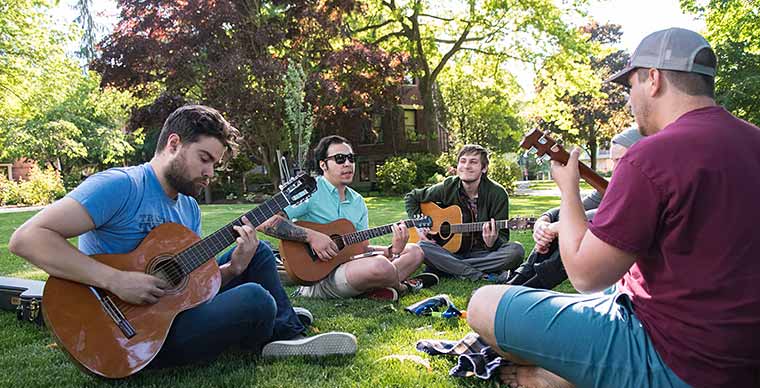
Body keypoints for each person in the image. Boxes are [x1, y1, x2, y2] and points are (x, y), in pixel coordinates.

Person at [466, 28, 760, 388]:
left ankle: (565, 377)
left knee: (483, 304)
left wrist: (568, 190)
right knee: (618, 286)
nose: (629, 100)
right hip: (744, 356)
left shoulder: (653, 155)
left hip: (677, 361)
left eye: (630, 85)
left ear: (653, 79)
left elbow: (586, 276)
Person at [8, 105, 356, 369]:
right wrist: (116, 280)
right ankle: (275, 323)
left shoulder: (188, 209)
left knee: (258, 255)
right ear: (174, 143)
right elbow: (27, 238)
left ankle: (285, 331)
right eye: (204, 158)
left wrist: (233, 269)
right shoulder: (120, 185)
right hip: (130, 335)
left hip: (169, 315)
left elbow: (187, 289)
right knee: (255, 299)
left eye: (215, 164)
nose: (209, 173)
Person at [260, 135, 437, 302]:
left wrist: (393, 251)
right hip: (319, 277)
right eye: (339, 159)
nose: (347, 164)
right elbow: (264, 221)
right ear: (323, 165)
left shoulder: (357, 201)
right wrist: (311, 236)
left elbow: (363, 248)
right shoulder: (311, 192)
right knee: (381, 266)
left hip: (351, 267)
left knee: (415, 251)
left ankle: (374, 287)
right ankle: (402, 286)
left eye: (351, 158)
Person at [505, 127, 643, 289]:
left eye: (620, 160)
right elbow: (573, 210)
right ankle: (515, 283)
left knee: (573, 231)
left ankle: (521, 291)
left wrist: (558, 226)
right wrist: (544, 221)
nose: (615, 168)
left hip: (637, 272)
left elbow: (605, 217)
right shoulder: (615, 186)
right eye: (613, 161)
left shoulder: (652, 189)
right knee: (563, 226)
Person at [404, 144, 525, 282]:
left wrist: (492, 242)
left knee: (516, 251)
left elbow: (503, 238)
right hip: (447, 251)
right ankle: (480, 275)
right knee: (421, 246)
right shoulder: (448, 186)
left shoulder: (498, 194)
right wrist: (419, 225)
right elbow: (412, 197)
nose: (466, 166)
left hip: (482, 253)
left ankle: (449, 268)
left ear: (484, 168)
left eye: (473, 162)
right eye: (463, 161)